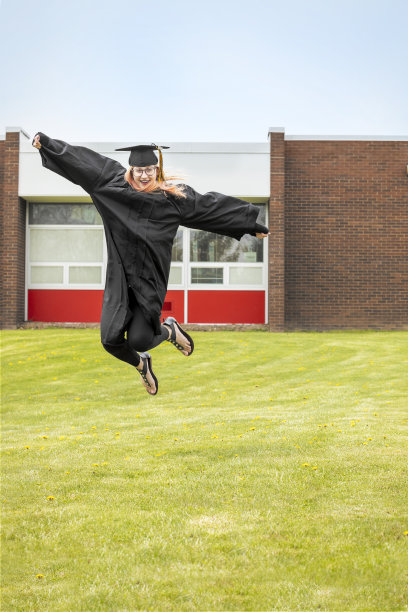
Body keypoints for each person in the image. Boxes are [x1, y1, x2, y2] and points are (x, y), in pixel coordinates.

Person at [32, 133, 269, 396]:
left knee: (140, 339)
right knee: (110, 341)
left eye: (149, 169)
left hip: (149, 280)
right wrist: (48, 144)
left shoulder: (173, 199)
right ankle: (141, 364)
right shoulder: (109, 184)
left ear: (158, 169)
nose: (144, 175)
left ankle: (169, 330)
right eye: (139, 169)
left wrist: (250, 224)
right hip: (121, 279)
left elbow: (209, 208)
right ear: (130, 168)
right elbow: (82, 162)